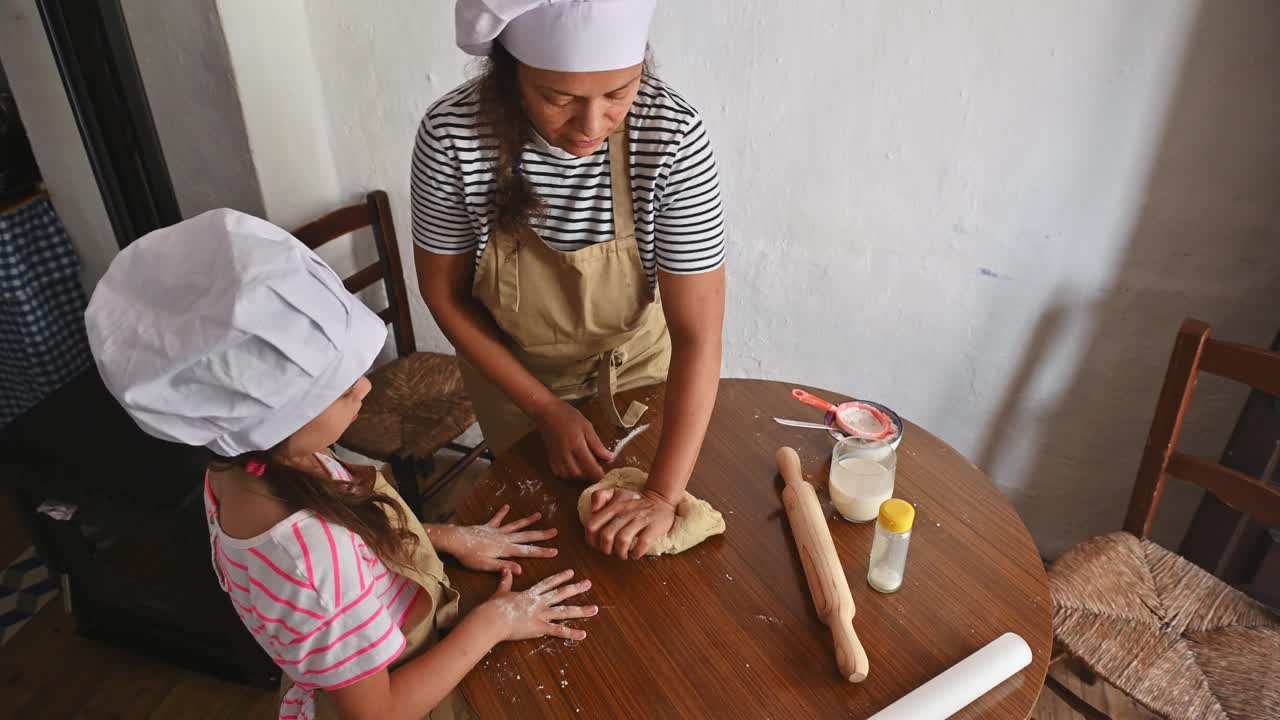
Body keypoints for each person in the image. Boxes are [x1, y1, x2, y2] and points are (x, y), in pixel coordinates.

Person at [85, 210, 597, 720]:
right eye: (338, 387)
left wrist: (441, 536)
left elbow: (356, 543)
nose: (365, 387)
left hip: (367, 659)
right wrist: (494, 623)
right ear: (270, 419)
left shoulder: (250, 467)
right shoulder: (308, 559)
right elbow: (378, 712)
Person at [413, 0, 727, 560]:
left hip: (637, 368)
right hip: (515, 377)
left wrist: (659, 493)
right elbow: (444, 293)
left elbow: (699, 334)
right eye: (560, 98)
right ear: (510, 76)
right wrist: (543, 409)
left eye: (619, 94)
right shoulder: (453, 136)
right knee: (550, 540)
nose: (591, 125)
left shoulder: (672, 136)